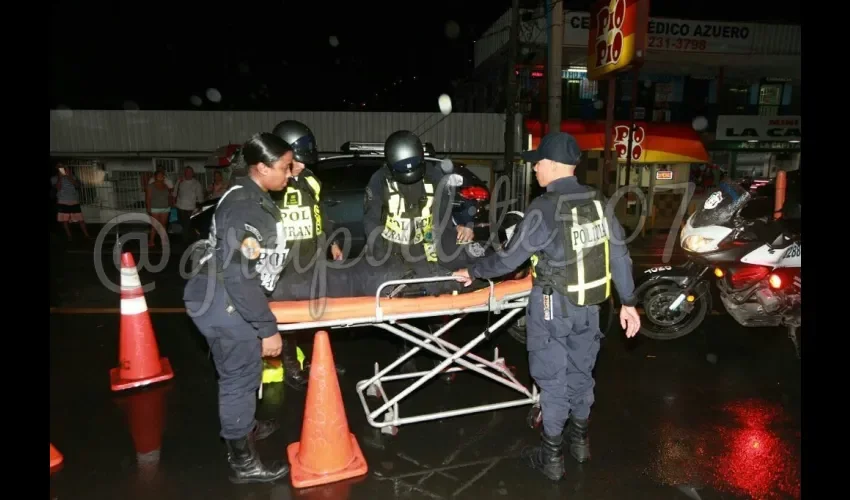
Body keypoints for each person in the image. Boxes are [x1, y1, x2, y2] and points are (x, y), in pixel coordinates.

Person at [451, 131, 641, 482]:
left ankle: (551, 457)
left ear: (553, 166)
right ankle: (581, 444)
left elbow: (508, 260)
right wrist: (629, 302)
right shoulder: (598, 202)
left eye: (538, 161)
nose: (535, 167)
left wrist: (473, 271)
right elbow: (619, 255)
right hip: (592, 307)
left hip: (553, 308)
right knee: (581, 375)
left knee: (553, 381)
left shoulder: (544, 208)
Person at [183, 132, 294, 485]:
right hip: (228, 303)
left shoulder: (247, 193)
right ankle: (244, 463)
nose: (291, 174)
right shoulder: (247, 208)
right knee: (239, 381)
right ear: (261, 168)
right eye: (286, 168)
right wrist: (267, 328)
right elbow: (240, 276)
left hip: (221, 297)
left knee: (237, 375)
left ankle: (245, 427)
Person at [270, 119, 345, 389]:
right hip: (286, 263)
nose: (301, 166)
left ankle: (320, 358)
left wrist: (332, 242)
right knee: (289, 317)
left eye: (302, 161)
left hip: (312, 257)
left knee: (318, 312)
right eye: (295, 162)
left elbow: (320, 214)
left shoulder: (311, 179)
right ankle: (291, 365)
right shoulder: (272, 183)